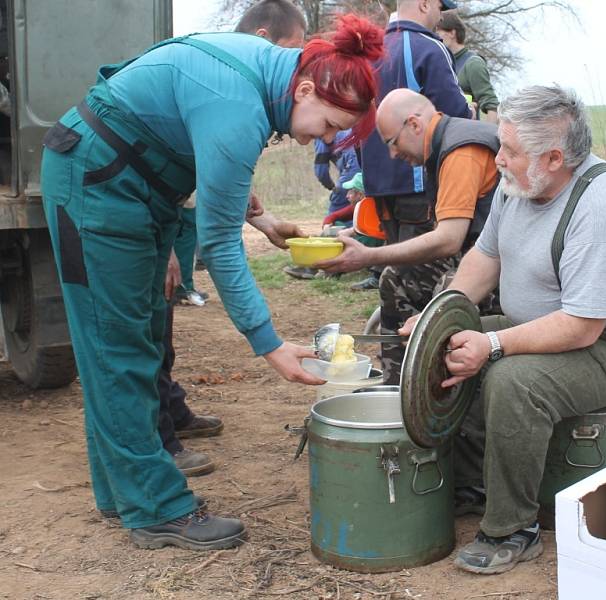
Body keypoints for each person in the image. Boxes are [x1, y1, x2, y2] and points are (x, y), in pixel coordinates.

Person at [40, 15, 384, 551]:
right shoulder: (239, 106)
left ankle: (121, 491)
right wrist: (268, 343)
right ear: (306, 88)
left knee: (139, 337)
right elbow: (219, 242)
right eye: (329, 124)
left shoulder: (266, 75)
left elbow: (197, 145)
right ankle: (156, 508)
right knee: (118, 344)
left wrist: (266, 222)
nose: (326, 138)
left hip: (135, 181)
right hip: (99, 180)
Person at [399, 85, 606, 575]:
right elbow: (485, 257)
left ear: (555, 157)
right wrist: (443, 313)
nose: (497, 158)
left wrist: (494, 345)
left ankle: (511, 529)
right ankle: (469, 484)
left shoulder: (600, 202)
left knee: (513, 381)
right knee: (446, 344)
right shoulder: (519, 183)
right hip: (545, 325)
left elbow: (583, 325)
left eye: (510, 151)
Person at [152, 0, 310, 479]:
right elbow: (215, 234)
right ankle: (159, 436)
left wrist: (263, 221)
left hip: (172, 210)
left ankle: (171, 409)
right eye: (289, 53)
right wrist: (163, 255)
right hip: (154, 213)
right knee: (146, 330)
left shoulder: (237, 94)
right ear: (262, 39)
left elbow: (212, 178)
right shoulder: (231, 93)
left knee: (162, 330)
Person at [319, 89, 500, 383]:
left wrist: (367, 256)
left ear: (414, 125)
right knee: (396, 276)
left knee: (448, 289)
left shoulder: (461, 150)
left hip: (510, 267)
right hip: (484, 253)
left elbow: (448, 240)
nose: (392, 154)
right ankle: (398, 387)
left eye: (392, 142)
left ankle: (442, 400)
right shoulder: (441, 146)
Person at [359, 0, 472, 382]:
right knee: (418, 280)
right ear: (425, 4)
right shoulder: (428, 46)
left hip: (377, 184)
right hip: (418, 185)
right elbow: (456, 112)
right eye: (440, 7)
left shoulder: (370, 48)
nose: (441, 16)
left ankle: (404, 380)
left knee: (398, 271)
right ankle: (418, 382)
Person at [283, 127, 360, 279]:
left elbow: (321, 171)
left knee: (334, 218)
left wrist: (333, 188)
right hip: (366, 168)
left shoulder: (321, 134)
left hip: (352, 169)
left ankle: (320, 266)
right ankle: (345, 259)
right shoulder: (344, 127)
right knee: (357, 214)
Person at [436, 11, 499, 123]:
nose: (435, 36)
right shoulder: (443, 62)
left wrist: (487, 137)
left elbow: (491, 105)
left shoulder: (473, 63)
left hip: (465, 135)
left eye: (438, 31)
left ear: (452, 33)